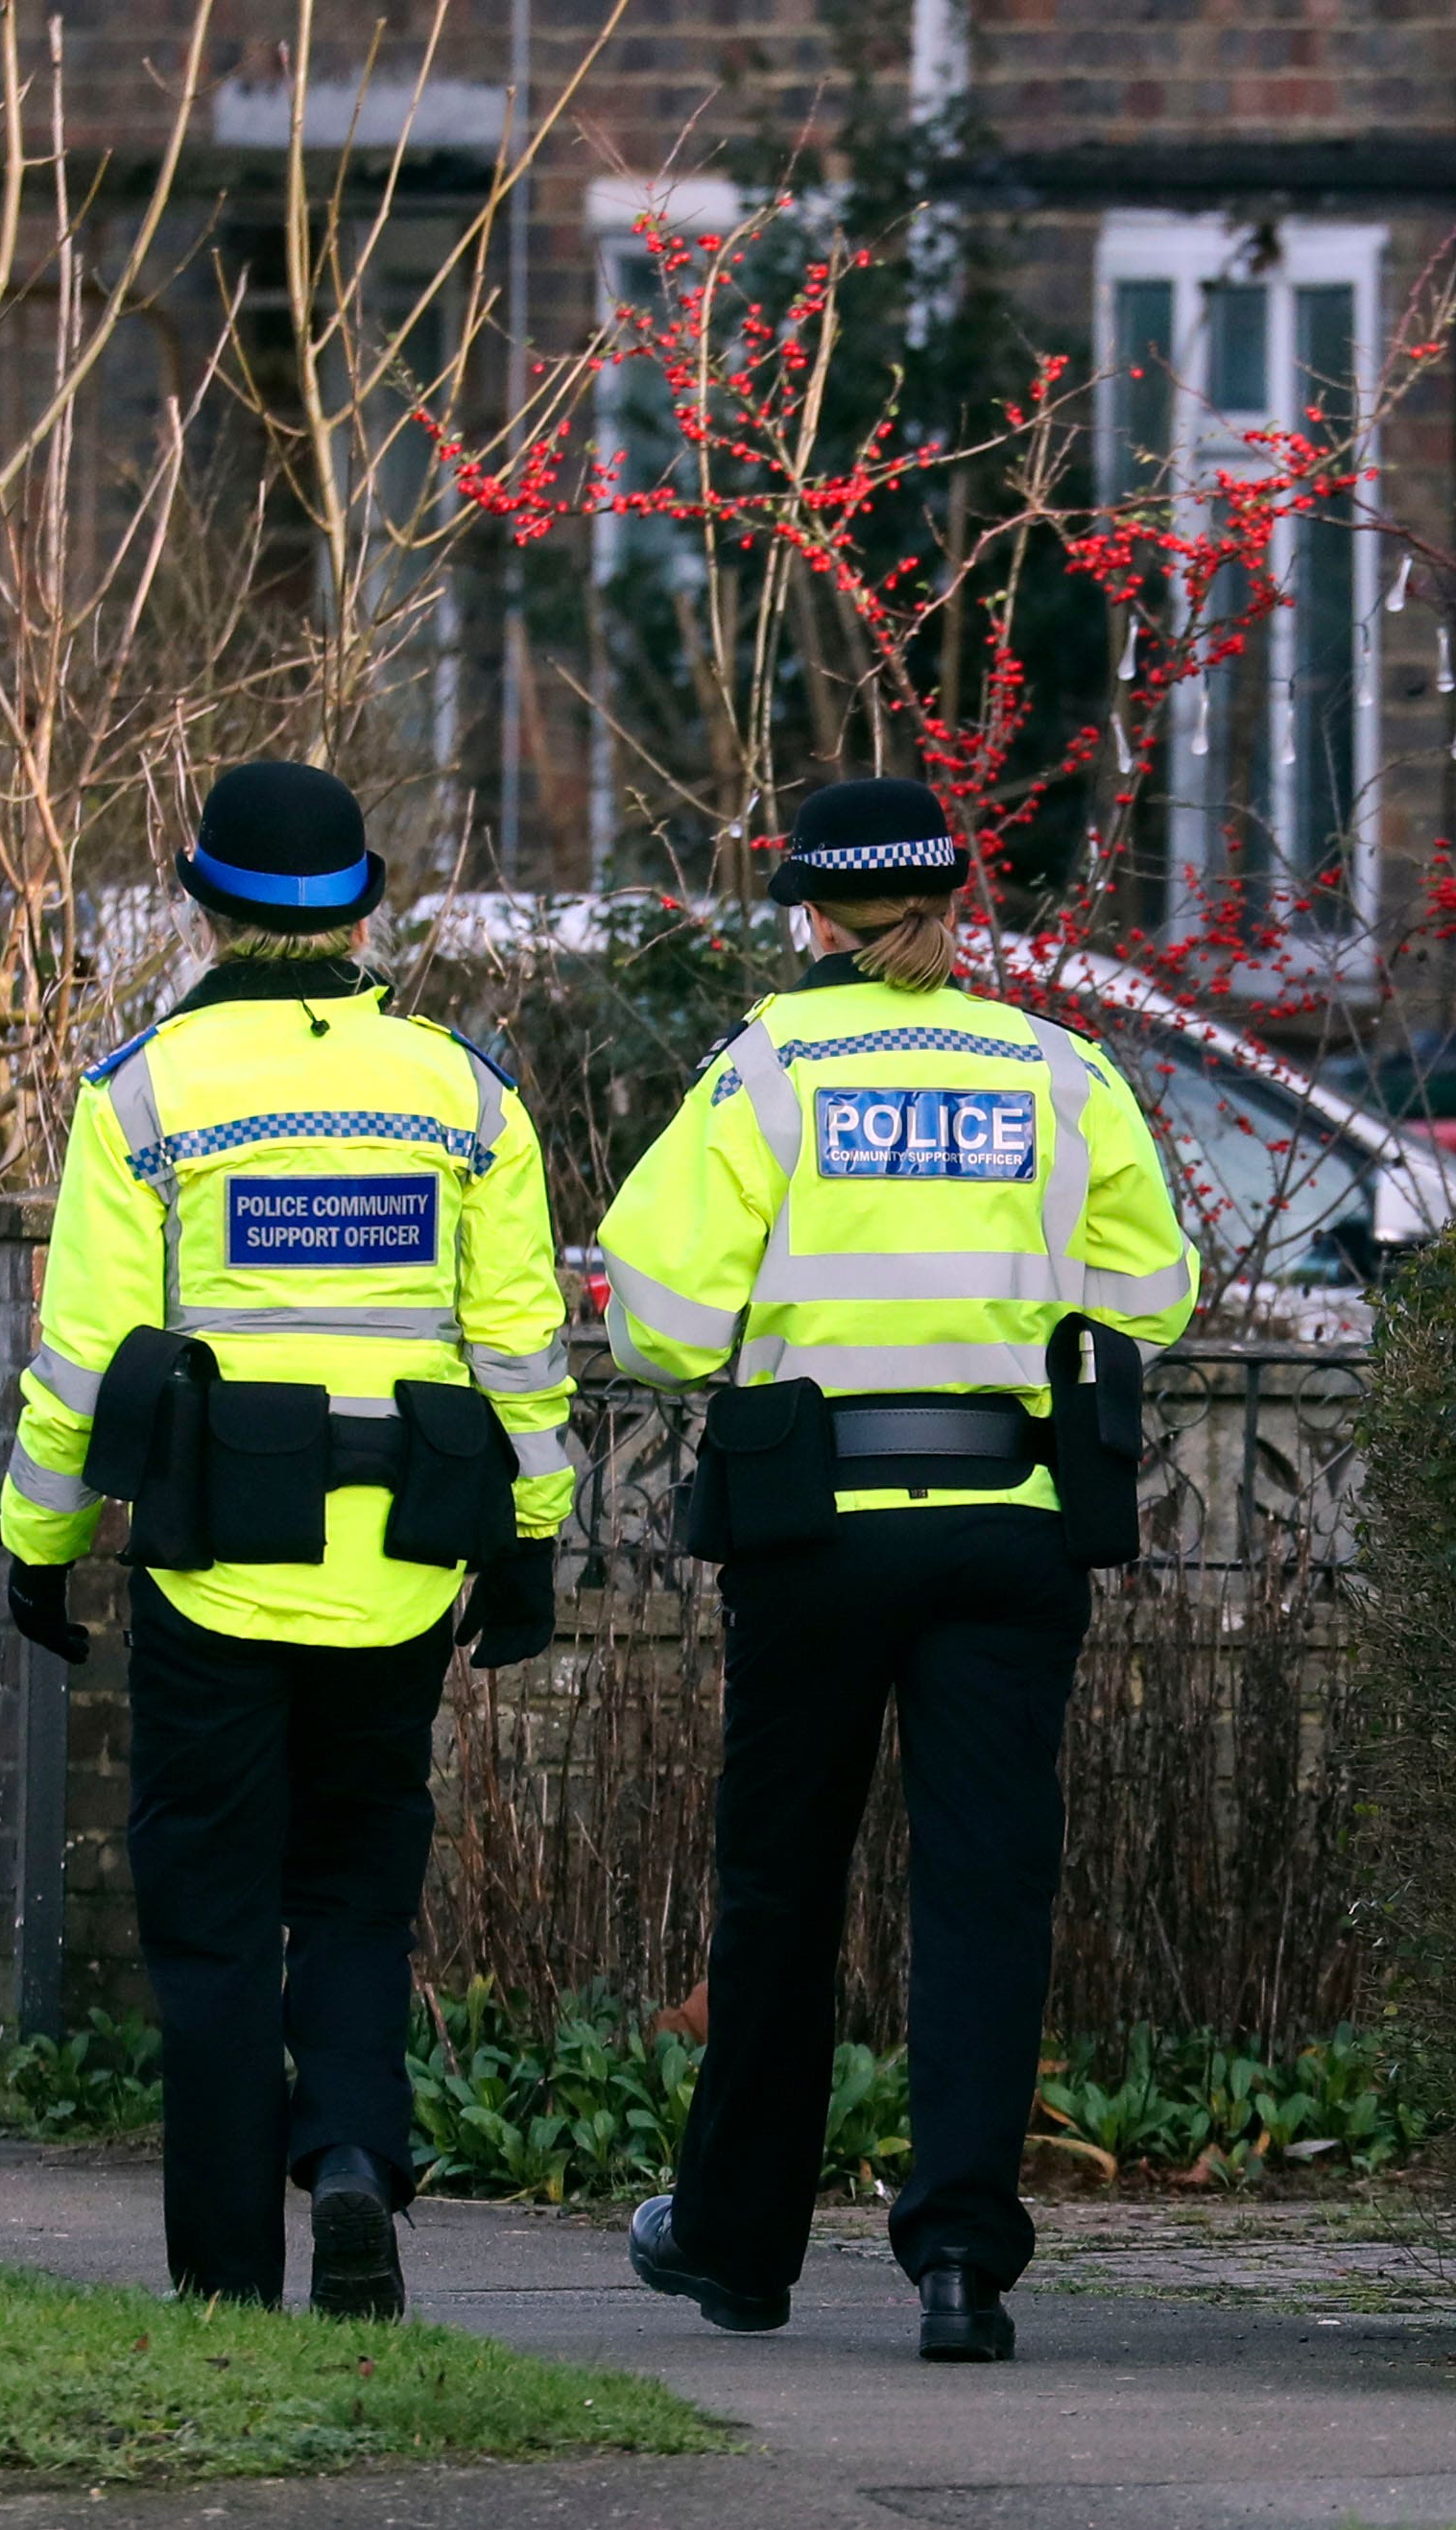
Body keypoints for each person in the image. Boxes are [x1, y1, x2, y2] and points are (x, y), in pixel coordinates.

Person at [596, 776, 1199, 2362]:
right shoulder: (1058, 1070)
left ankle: (736, 2244)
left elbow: (653, 1311)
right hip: (1010, 1523)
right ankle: (957, 2262)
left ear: (813, 914)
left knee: (781, 1885)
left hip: (818, 1531)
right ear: (954, 902)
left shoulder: (773, 1066)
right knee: (984, 1889)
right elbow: (1152, 1293)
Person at [0, 757, 572, 2319]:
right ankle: (351, 2162)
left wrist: (37, 1546)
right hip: (398, 1573)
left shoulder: (143, 1097)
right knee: (358, 1897)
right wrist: (529, 1538)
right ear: (357, 913)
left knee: (210, 1921)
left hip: (215, 1564)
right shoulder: (465, 1091)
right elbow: (518, 1340)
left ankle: (226, 2280)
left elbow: (87, 1362)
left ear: (205, 905)